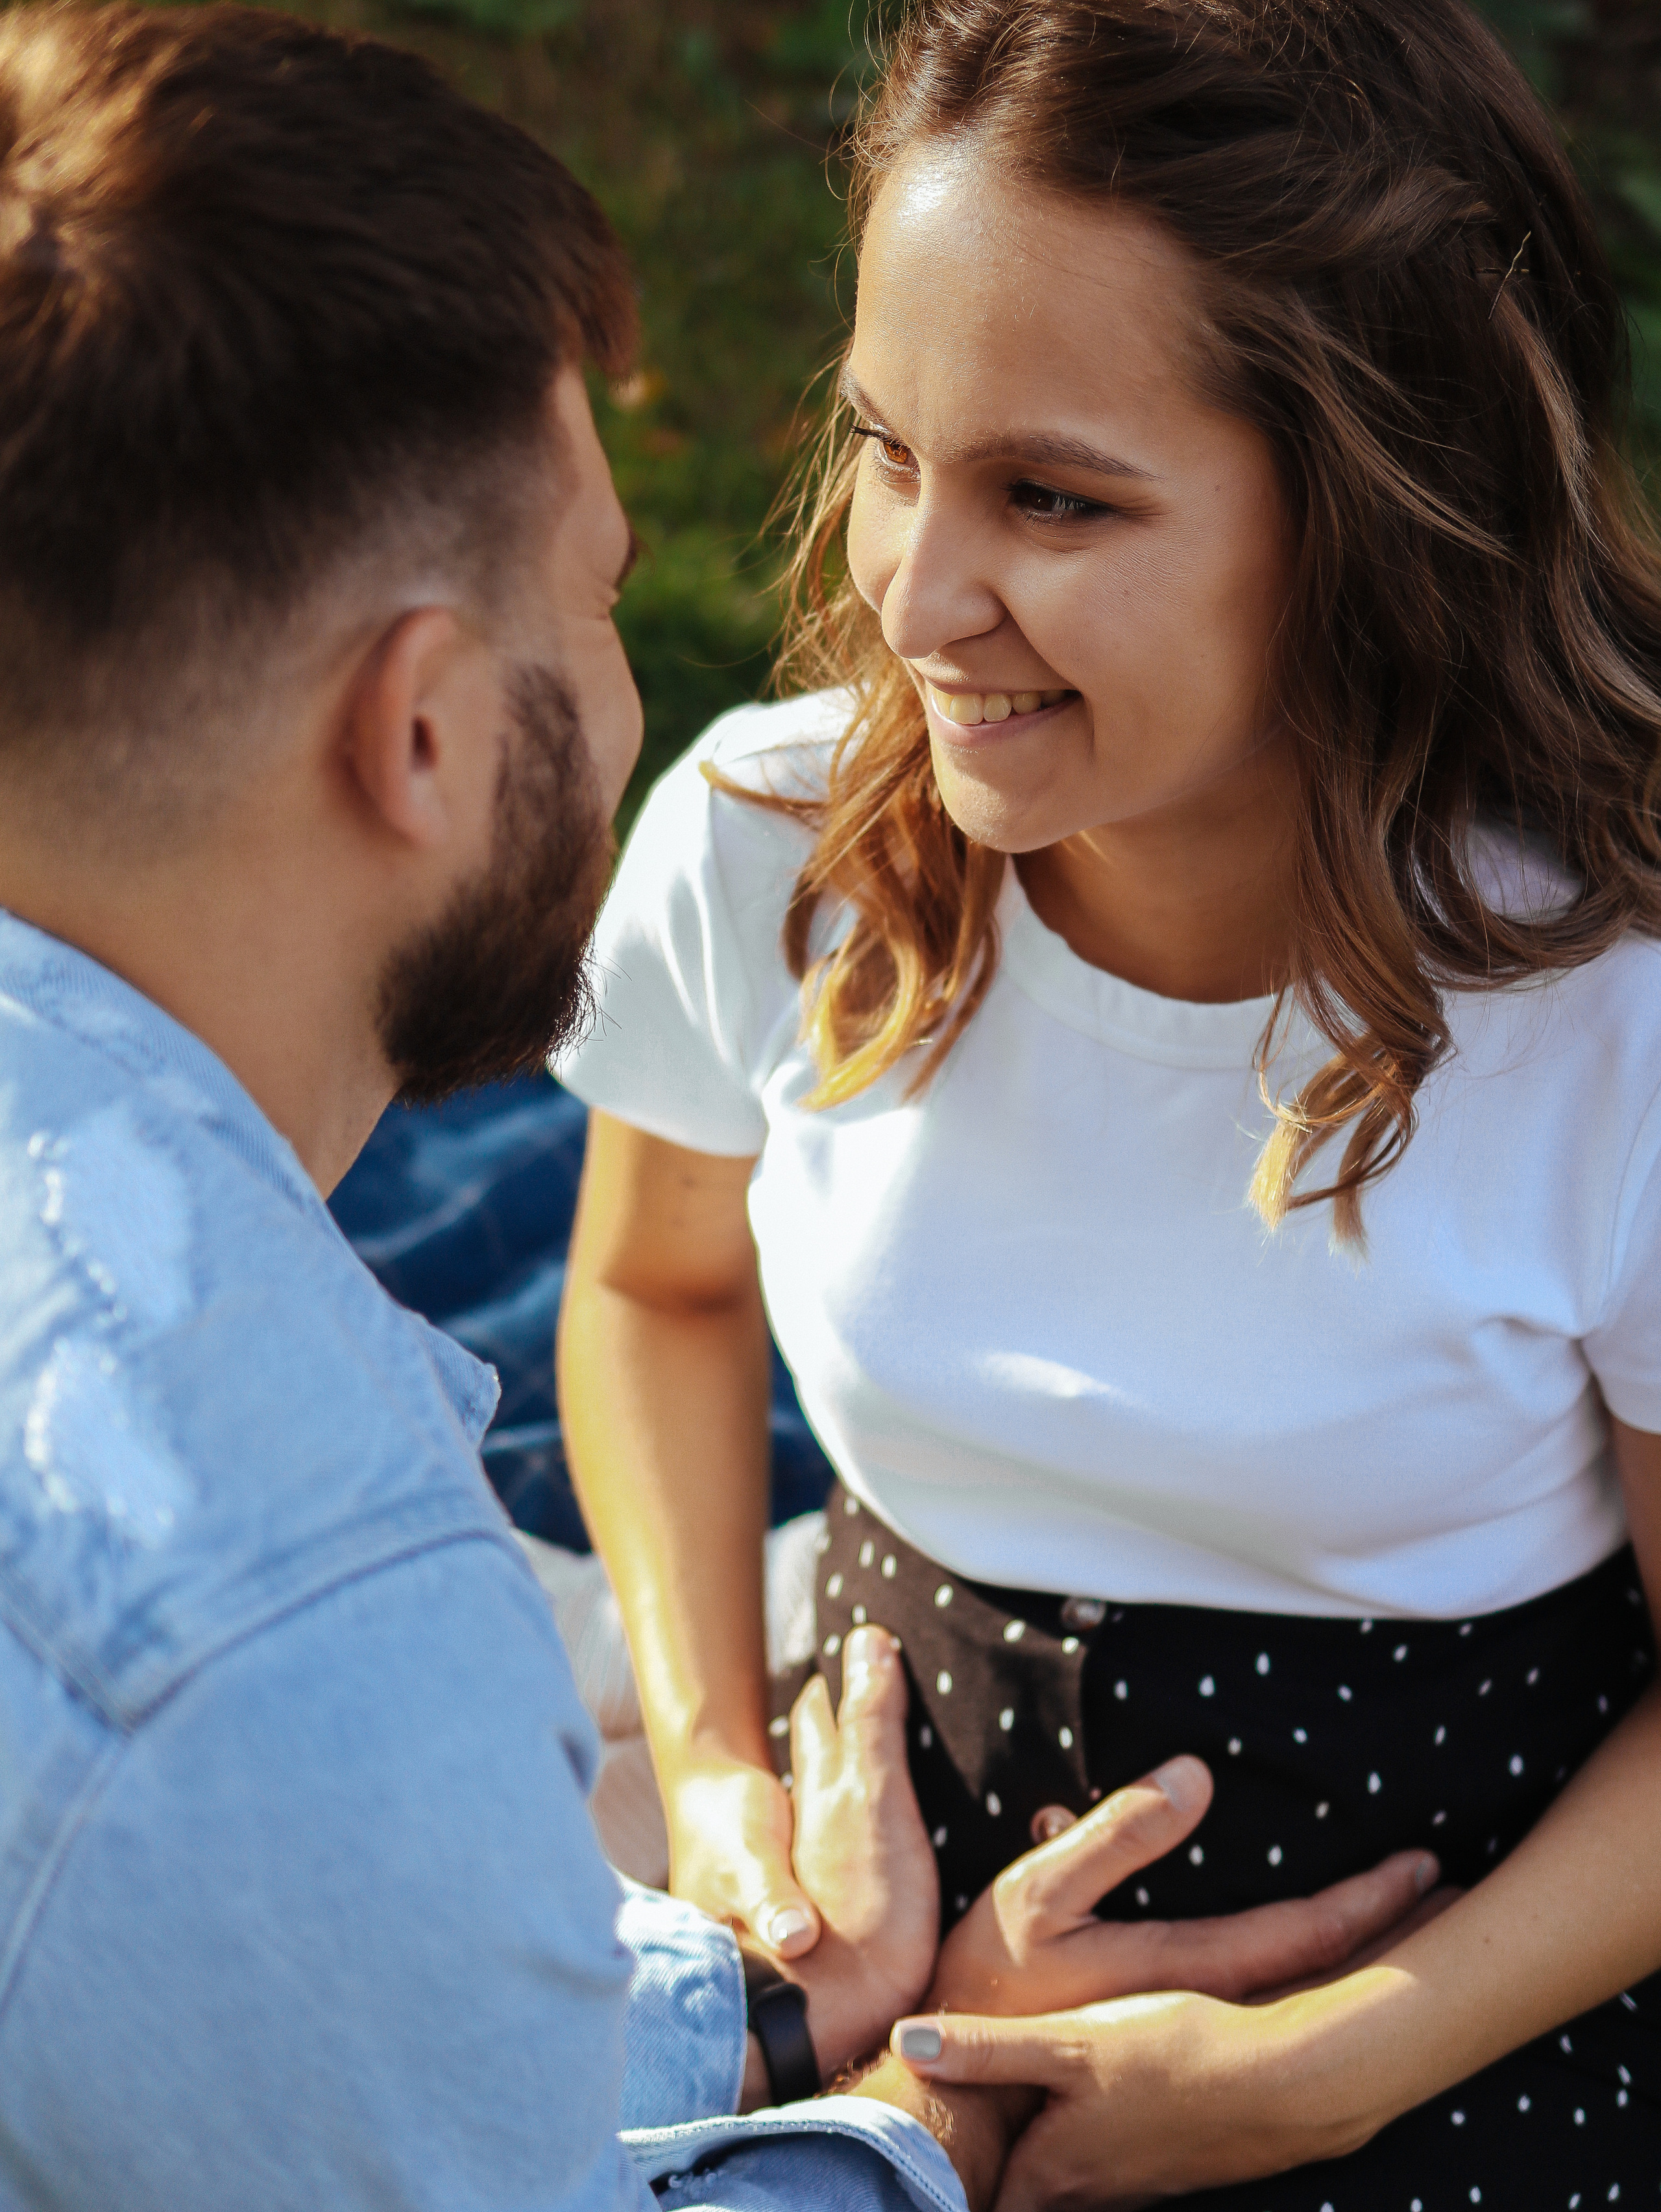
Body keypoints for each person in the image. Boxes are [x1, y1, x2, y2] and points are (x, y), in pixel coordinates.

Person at [0, 7, 1438, 2208]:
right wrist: (931, 2111)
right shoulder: (293, 1634)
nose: (895, 603)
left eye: (1044, 489)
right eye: (593, 595)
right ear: (420, 729)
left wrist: (778, 2007)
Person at [555, 0, 1661, 2204]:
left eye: (1049, 495)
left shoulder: (1612, 1006)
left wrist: (1332, 2069)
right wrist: (720, 1783)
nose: (913, 592)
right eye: (886, 448)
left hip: (1462, 1995)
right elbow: (653, 1293)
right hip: (872, 1932)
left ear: (1371, 509)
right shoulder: (765, 847)